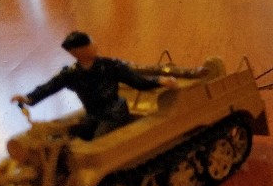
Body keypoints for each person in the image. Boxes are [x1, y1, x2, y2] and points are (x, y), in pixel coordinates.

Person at [11, 31, 178, 140]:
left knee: (99, 140)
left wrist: (159, 81)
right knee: (69, 135)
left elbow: (136, 81)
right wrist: (28, 98)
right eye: (89, 44)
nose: (94, 45)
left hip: (114, 113)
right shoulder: (71, 73)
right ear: (77, 51)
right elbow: (50, 86)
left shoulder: (110, 66)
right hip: (93, 114)